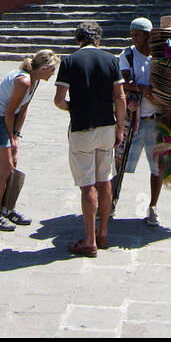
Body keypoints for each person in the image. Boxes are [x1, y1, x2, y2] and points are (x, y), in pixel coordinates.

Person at [54, 21, 126, 257]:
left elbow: (59, 100)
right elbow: (120, 97)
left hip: (81, 128)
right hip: (107, 125)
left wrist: (73, 108)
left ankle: (89, 240)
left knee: (87, 185)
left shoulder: (68, 62)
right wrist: (120, 128)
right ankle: (103, 232)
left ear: (78, 39)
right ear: (98, 40)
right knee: (104, 180)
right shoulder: (111, 60)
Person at [0, 49, 59, 231]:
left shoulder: (35, 81)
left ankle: (8, 208)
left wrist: (16, 135)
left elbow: (23, 109)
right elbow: (8, 113)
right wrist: (11, 138)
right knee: (6, 167)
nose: (53, 73)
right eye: (52, 69)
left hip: (8, 120)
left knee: (12, 164)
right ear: (43, 68)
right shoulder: (23, 81)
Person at [115, 18, 163, 227]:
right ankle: (111, 201)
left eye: (137, 35)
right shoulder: (126, 55)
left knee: (157, 166)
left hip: (155, 119)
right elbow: (123, 81)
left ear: (148, 36)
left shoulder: (161, 57)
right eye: (132, 34)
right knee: (118, 164)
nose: (133, 39)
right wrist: (142, 88)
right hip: (131, 120)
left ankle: (153, 206)